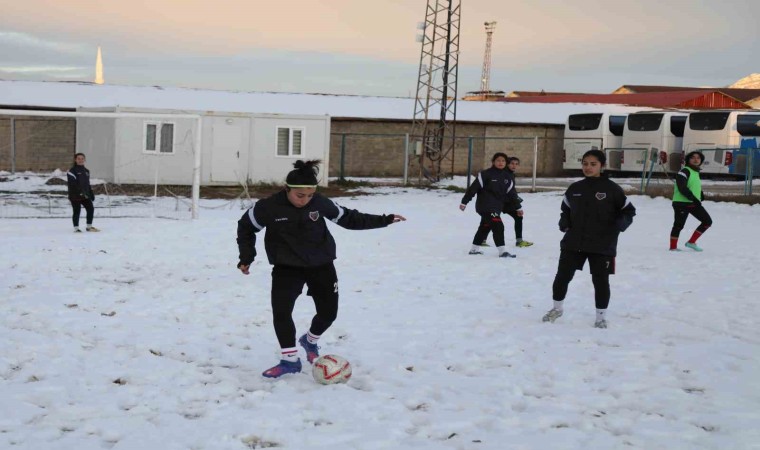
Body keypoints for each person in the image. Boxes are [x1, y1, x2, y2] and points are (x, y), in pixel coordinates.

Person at [236, 160, 406, 378]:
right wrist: (247, 257)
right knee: (282, 312)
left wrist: (385, 220)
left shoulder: (320, 203)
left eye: (309, 195)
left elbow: (350, 219)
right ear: (287, 189)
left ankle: (310, 340)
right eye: (300, 196)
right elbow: (246, 227)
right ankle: (289, 360)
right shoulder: (268, 207)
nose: (305, 200)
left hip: (321, 264)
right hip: (286, 267)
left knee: (328, 313)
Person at [542, 150, 636, 329]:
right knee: (562, 277)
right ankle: (557, 309)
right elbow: (566, 210)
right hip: (574, 242)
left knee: (600, 281)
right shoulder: (575, 188)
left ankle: (600, 317)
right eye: (585, 163)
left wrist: (618, 226)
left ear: (602, 166)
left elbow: (628, 211)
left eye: (593, 164)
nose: (588, 167)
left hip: (602, 244)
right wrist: (564, 222)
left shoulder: (612, 189)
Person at [460, 152, 519, 258]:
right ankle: (502, 251)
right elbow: (473, 188)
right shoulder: (485, 174)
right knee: (498, 225)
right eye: (498, 160)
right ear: (493, 162)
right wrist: (465, 201)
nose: (501, 163)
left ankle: (474, 249)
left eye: (503, 161)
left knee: (485, 227)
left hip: (497, 207)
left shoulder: (508, 177)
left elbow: (512, 194)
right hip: (484, 206)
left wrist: (518, 207)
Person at [670, 151, 712, 252]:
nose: (696, 159)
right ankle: (673, 247)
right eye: (693, 157)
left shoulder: (695, 172)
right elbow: (682, 187)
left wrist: (700, 194)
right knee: (678, 225)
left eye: (698, 158)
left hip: (693, 202)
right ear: (688, 160)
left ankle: (691, 242)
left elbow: (692, 185)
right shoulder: (684, 171)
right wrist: (693, 198)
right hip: (681, 203)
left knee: (707, 221)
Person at [66, 153, 99, 232]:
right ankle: (76, 228)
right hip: (75, 195)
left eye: (82, 158)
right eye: (78, 159)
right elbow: (73, 184)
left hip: (85, 195)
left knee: (90, 208)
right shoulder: (72, 171)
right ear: (75, 160)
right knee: (77, 211)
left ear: (84, 160)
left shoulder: (86, 171)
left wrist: (91, 193)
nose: (80, 160)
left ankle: (89, 227)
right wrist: (80, 192)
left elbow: (87, 184)